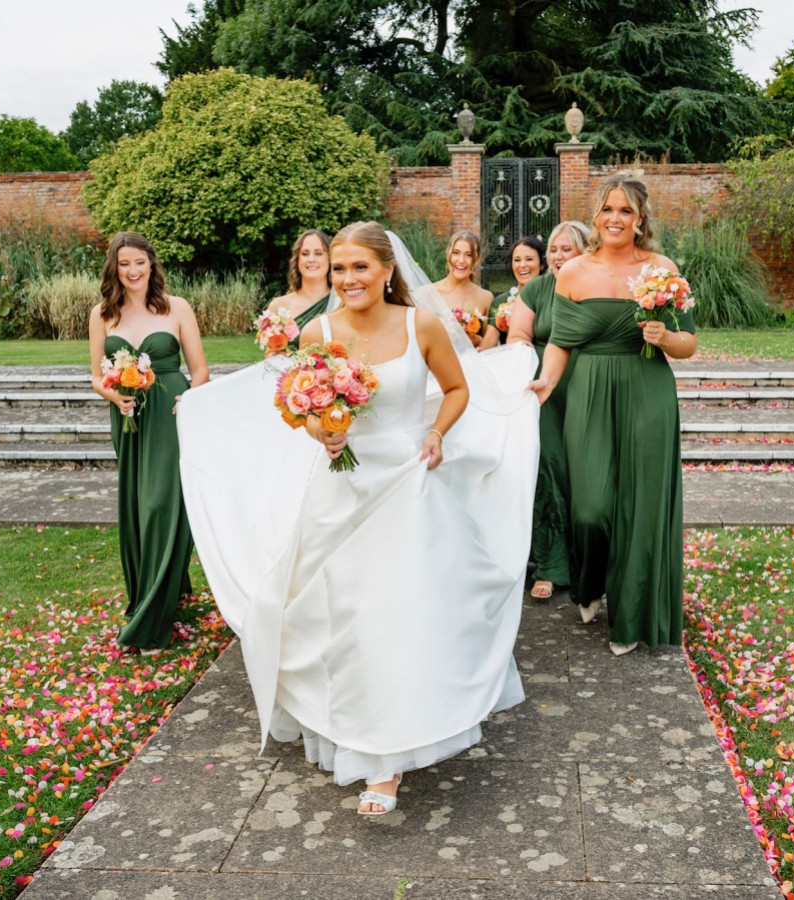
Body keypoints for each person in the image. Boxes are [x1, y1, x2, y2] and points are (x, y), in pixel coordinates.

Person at [177, 221, 539, 815]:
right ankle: (356, 725)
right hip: (341, 488)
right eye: (339, 268)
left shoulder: (421, 324)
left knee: (396, 615)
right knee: (343, 615)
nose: (348, 279)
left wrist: (436, 433)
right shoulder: (318, 332)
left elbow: (457, 390)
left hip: (408, 483)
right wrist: (322, 430)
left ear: (387, 269)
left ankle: (385, 759)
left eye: (359, 267)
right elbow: (299, 406)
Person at [529, 174, 697, 656]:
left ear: (640, 217)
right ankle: (590, 585)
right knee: (591, 509)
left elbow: (688, 342)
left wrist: (666, 337)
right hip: (589, 391)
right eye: (608, 209)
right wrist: (546, 381)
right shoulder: (573, 272)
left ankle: (631, 617)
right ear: (596, 215)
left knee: (641, 508)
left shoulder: (662, 269)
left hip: (648, 391)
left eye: (625, 210)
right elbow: (560, 341)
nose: (616, 218)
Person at [88, 232, 209, 655]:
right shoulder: (102, 314)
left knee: (160, 504)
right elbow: (96, 375)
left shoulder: (177, 307)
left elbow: (200, 370)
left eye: (139, 262)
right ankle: (159, 592)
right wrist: (114, 395)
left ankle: (152, 619)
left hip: (171, 416)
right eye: (124, 264)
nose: (133, 271)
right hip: (128, 420)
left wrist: (189, 398)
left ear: (152, 264)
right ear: (114, 268)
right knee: (139, 510)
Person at [507, 222, 589, 601]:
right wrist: (524, 355)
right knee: (550, 470)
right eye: (553, 249)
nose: (558, 256)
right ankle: (550, 566)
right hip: (546, 393)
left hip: (588, 386)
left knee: (585, 475)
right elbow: (518, 335)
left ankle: (591, 565)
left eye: (566, 249)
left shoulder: (595, 285)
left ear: (585, 252)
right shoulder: (536, 290)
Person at [263, 229, 331, 354]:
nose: (311, 259)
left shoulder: (341, 302)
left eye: (318, 253)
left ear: (330, 259)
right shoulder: (279, 306)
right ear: (297, 260)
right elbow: (270, 355)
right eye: (305, 254)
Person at [433, 231, 499, 349]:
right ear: (448, 254)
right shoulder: (427, 293)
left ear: (477, 259)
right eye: (456, 253)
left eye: (468, 255)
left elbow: (489, 345)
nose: (461, 260)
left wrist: (477, 340)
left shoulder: (486, 298)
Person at [489, 236, 547, 345]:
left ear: (542, 264)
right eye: (517, 260)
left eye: (529, 259)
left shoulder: (551, 299)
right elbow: (489, 340)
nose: (522, 265)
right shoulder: (500, 302)